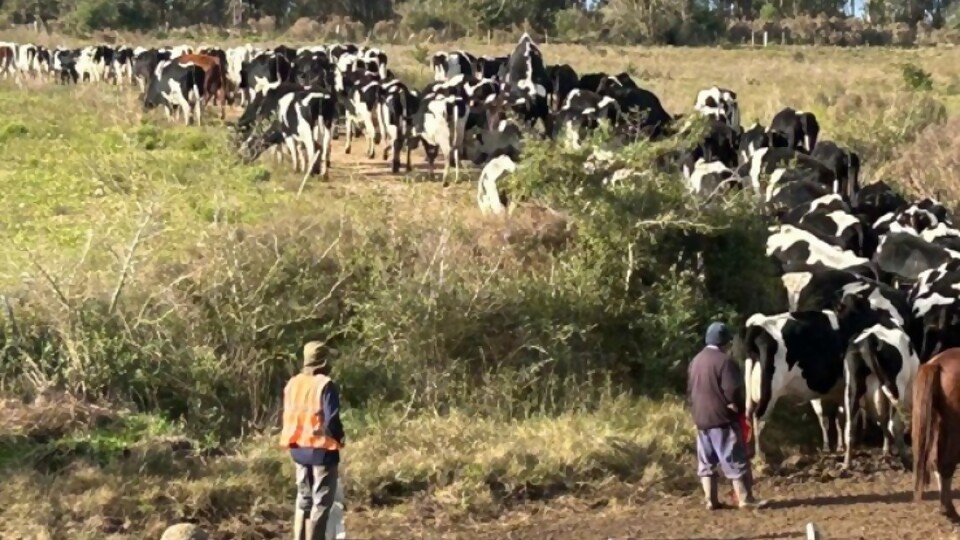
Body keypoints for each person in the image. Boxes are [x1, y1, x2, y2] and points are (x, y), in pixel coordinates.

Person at [687, 322, 767, 510]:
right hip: (722, 419)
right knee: (734, 459)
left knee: (706, 462)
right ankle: (745, 499)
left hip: (701, 419)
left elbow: (690, 391)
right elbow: (732, 391)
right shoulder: (725, 361)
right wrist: (739, 411)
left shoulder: (695, 360)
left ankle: (710, 500)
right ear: (724, 342)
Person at [279, 341, 345, 540]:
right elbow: (331, 419)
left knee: (304, 499)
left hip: (298, 449)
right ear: (323, 362)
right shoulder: (325, 384)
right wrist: (340, 439)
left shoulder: (293, 383)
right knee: (321, 502)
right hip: (322, 450)